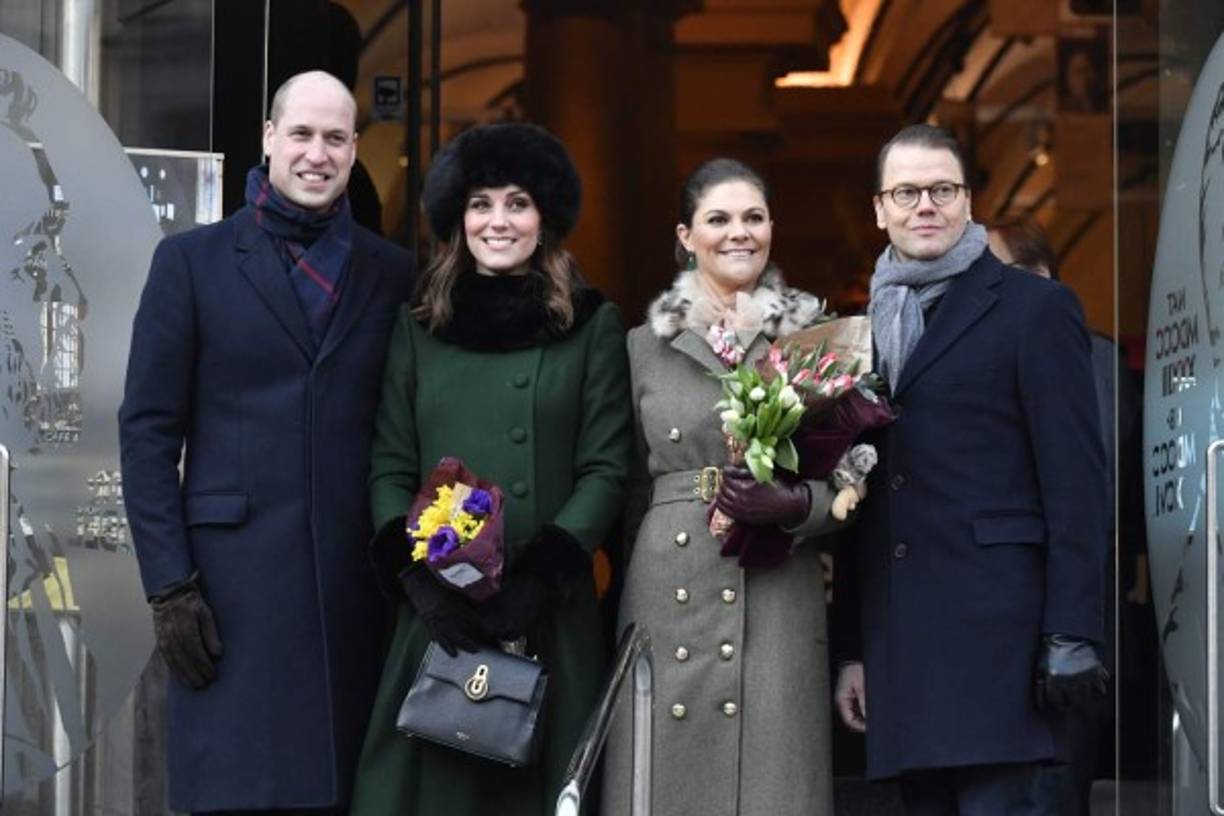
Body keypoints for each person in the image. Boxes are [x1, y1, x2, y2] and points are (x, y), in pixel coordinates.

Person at [118, 70, 413, 814]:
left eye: (336, 138)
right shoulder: (192, 262)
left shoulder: (393, 273)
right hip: (226, 593)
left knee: (346, 793)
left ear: (354, 151)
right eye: (303, 135)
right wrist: (169, 585)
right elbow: (149, 430)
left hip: (352, 595)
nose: (318, 154)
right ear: (269, 139)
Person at [348, 122, 632, 816]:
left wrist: (539, 579)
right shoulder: (418, 326)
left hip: (546, 619)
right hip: (440, 622)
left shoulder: (591, 324)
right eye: (481, 204)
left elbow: (605, 467)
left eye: (517, 203)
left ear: (545, 218)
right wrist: (421, 584)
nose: (498, 221)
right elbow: (388, 464)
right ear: (457, 218)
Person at [833, 124, 1109, 815]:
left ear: (967, 201)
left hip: (1004, 649)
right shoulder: (858, 329)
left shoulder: (1034, 308)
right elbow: (858, 503)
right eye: (906, 192)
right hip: (904, 652)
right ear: (879, 208)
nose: (924, 205)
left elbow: (1076, 483)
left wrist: (1073, 630)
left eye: (942, 190)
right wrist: (852, 651)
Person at [603, 157, 844, 816]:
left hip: (779, 583)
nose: (739, 233)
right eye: (719, 219)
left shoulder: (815, 337)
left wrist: (801, 505)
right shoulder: (639, 346)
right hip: (668, 584)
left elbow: (853, 475)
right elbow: (620, 486)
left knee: (774, 785)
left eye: (754, 217)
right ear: (686, 236)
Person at [988, 216, 1138, 816]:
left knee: (1057, 784)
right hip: (1011, 618)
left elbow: (1097, 494)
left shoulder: (1086, 354)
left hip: (1072, 617)